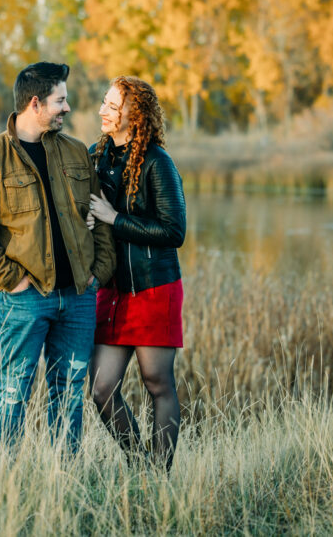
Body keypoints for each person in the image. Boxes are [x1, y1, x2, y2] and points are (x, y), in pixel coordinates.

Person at [0, 61, 116, 454]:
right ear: (35, 103)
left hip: (78, 298)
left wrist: (98, 272)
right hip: (23, 300)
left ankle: (63, 484)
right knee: (14, 391)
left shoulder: (77, 153)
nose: (67, 108)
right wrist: (11, 278)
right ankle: (2, 485)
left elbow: (102, 216)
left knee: (69, 396)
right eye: (60, 100)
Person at [85, 75, 186, 469]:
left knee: (157, 382)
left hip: (153, 286)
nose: (103, 111)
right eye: (104, 103)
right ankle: (139, 465)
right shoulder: (97, 155)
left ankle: (158, 479)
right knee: (101, 388)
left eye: (112, 105)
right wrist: (90, 224)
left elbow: (174, 231)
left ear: (135, 113)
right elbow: (89, 211)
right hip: (111, 288)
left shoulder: (158, 163)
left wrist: (115, 218)